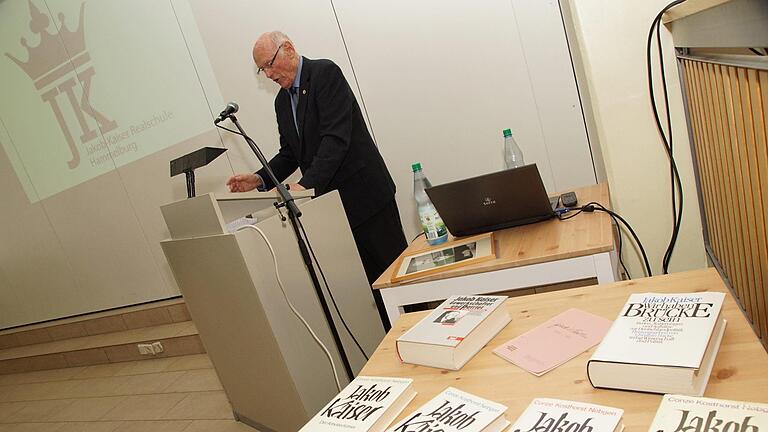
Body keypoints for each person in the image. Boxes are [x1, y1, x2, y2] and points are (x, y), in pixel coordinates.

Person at [226, 31, 407, 330]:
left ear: (289, 49)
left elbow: (336, 140)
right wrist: (259, 179)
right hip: (334, 212)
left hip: (367, 199)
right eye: (262, 70)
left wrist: (304, 185)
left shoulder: (325, 73)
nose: (268, 74)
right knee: (370, 291)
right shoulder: (282, 103)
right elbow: (290, 154)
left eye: (270, 65)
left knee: (396, 281)